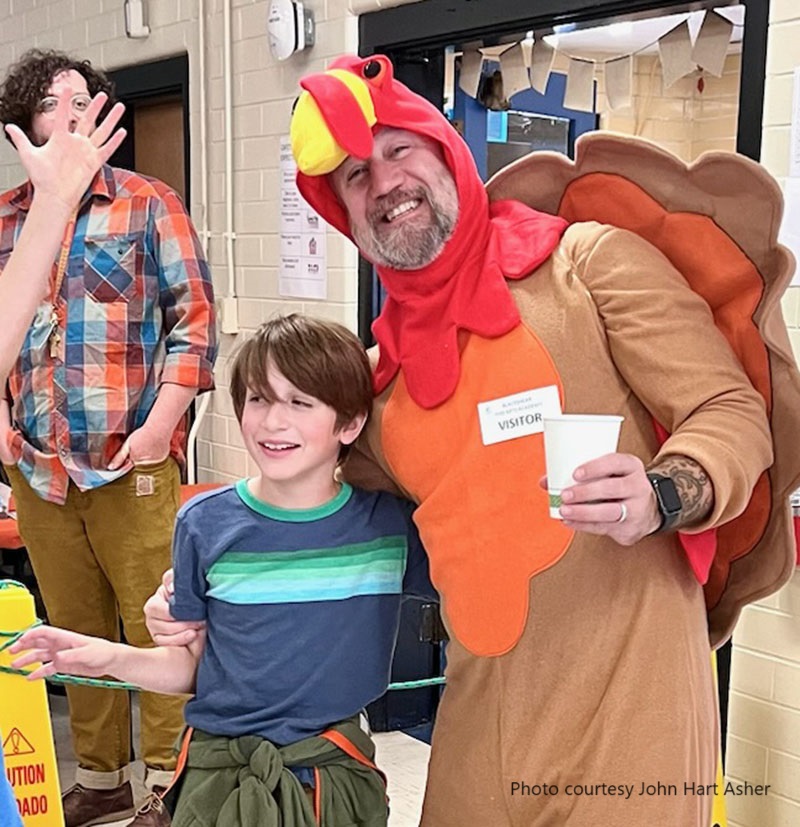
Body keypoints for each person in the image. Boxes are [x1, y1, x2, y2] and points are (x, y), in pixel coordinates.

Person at [147, 56, 800, 825]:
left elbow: (729, 410)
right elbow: (308, 500)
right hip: (481, 710)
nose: (384, 182)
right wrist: (206, 585)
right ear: (345, 216)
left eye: (399, 150)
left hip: (632, 693)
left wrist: (663, 492)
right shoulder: (376, 391)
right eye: (355, 176)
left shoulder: (585, 265)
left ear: (446, 149)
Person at [12, 314, 434, 827]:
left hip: (334, 779)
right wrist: (106, 656)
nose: (273, 422)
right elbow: (192, 669)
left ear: (349, 423)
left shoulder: (388, 529)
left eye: (300, 403)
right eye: (258, 399)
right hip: (219, 781)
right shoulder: (204, 523)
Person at [0, 49, 217, 827]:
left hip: (134, 460)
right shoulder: (4, 218)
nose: (77, 111)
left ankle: (166, 782)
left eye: (88, 98)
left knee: (157, 620)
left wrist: (164, 423)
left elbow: (194, 326)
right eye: (57, 102)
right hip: (38, 467)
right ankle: (100, 776)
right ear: (24, 126)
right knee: (72, 628)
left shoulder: (150, 202)